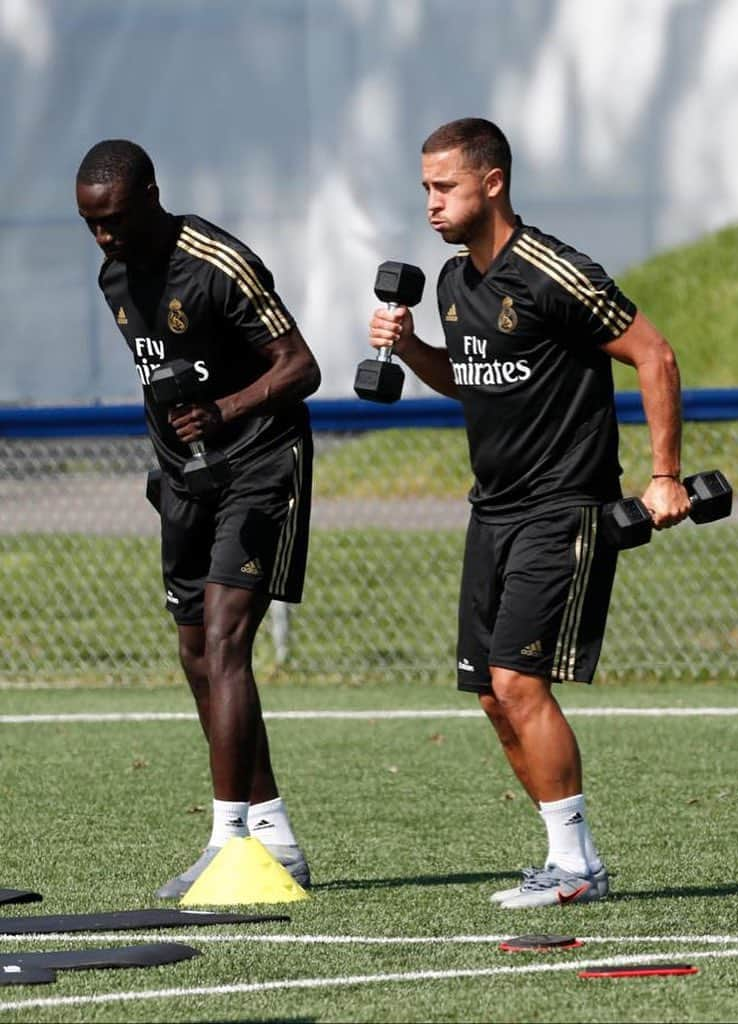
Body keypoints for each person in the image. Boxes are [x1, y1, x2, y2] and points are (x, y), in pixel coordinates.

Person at [368, 118, 691, 908]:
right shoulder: (451, 283)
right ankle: (566, 860)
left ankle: (577, 870)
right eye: (425, 189)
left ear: (493, 182)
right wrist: (411, 351)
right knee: (489, 691)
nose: (431, 203)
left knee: (518, 682)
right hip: (493, 512)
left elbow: (657, 354)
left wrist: (665, 477)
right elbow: (472, 378)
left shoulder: (554, 271)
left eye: (444, 186)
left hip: (564, 506)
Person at [76, 140, 321, 898]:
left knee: (224, 639)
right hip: (185, 478)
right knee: (192, 650)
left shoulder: (219, 262)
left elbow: (302, 367)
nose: (104, 238)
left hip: (259, 460)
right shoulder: (112, 275)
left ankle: (227, 841)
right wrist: (170, 469)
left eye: (114, 220)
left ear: (151, 193)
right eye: (90, 224)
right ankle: (273, 832)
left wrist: (226, 409)